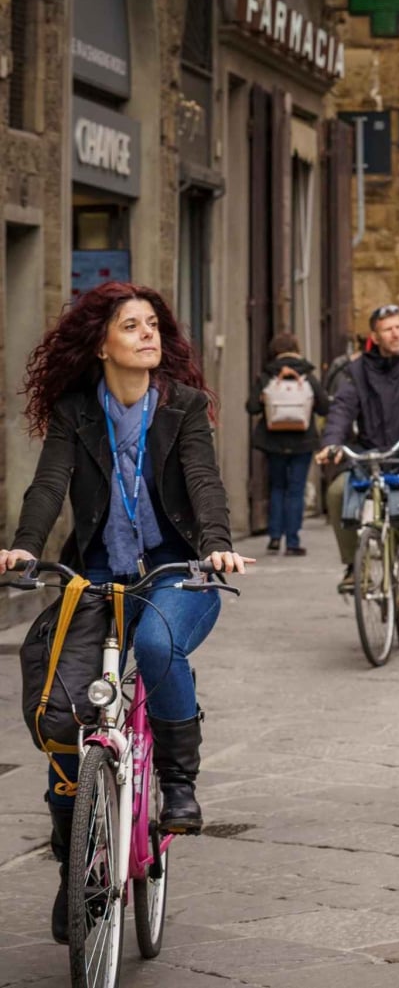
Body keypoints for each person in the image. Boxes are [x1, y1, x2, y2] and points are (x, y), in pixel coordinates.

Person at [0, 281, 251, 942]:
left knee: (163, 647)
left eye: (152, 324)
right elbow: (50, 483)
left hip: (176, 571)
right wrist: (26, 546)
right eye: (131, 325)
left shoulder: (185, 406)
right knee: (61, 713)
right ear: (101, 343)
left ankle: (178, 781)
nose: (148, 334)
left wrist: (218, 547)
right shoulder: (76, 409)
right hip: (97, 577)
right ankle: (72, 861)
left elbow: (204, 481)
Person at [317, 304, 399, 618]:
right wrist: (332, 443)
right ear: (374, 336)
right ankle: (352, 566)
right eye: (388, 329)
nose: (396, 333)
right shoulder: (358, 370)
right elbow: (342, 408)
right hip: (371, 454)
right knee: (336, 493)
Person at [247, 331, 330, 557]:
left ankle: (274, 537)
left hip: (273, 440)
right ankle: (292, 541)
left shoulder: (267, 375)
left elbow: (252, 406)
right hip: (303, 440)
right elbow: (324, 406)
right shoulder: (308, 375)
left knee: (277, 487)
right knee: (296, 490)